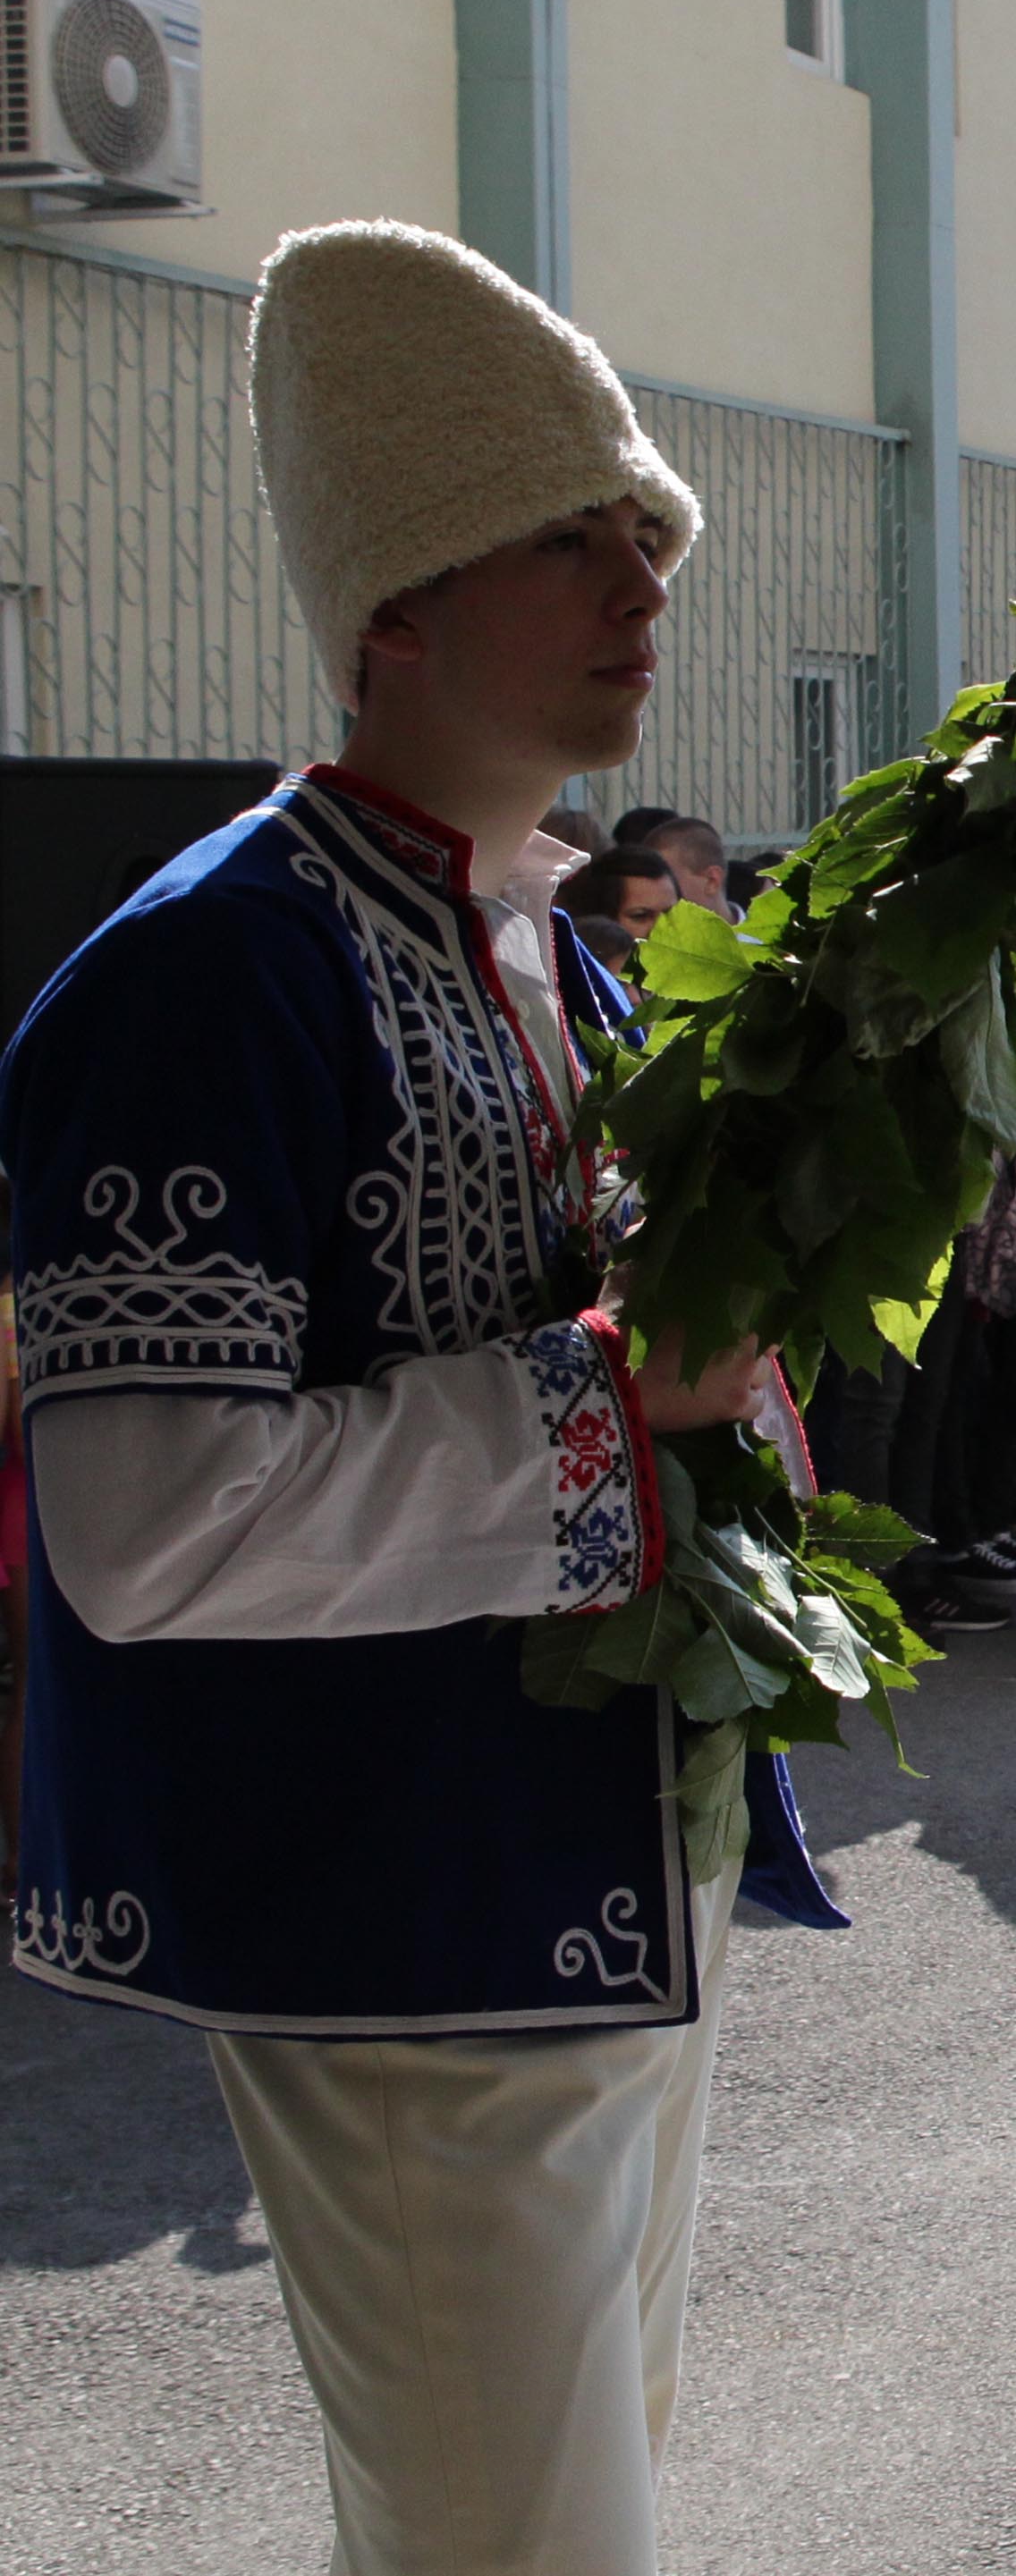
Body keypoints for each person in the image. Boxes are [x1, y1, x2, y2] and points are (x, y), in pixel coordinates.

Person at [3, 218, 829, 2576]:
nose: (642, 575)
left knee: (555, 2520)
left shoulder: (552, 940)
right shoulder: (203, 973)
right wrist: (618, 1397)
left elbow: (682, 1369)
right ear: (395, 597)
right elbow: (145, 1531)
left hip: (600, 1860)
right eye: (569, 536)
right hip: (398, 1912)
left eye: (644, 529)